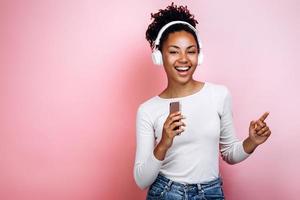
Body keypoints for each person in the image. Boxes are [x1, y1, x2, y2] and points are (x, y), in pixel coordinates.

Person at [133, 3, 271, 200]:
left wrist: (252, 142)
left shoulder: (219, 95)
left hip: (211, 193)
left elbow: (230, 153)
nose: (183, 59)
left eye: (190, 51)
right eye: (173, 51)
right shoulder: (147, 110)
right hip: (166, 193)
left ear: (199, 55)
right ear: (159, 56)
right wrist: (164, 142)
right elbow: (141, 180)